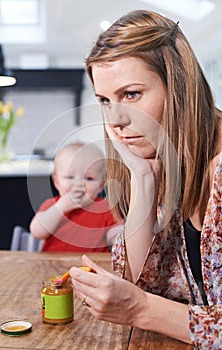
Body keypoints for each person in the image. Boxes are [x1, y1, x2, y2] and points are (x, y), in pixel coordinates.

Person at [69, 10, 222, 349]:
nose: (117, 119)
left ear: (179, 86)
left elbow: (137, 301)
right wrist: (143, 178)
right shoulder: (168, 160)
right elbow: (136, 281)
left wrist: (140, 309)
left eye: (132, 94)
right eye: (105, 101)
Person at [30, 142, 123, 252]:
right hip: (55, 266)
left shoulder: (105, 208)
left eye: (89, 178)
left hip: (90, 267)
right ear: (56, 182)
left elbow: (117, 236)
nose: (78, 184)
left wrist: (118, 236)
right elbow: (36, 232)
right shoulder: (52, 205)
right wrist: (61, 207)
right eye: (70, 177)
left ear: (101, 185)